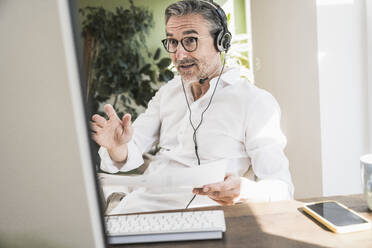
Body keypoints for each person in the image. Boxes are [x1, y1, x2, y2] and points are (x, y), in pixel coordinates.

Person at [90, 0, 294, 215]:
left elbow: (281, 187)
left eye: (190, 41)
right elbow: (130, 149)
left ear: (221, 42)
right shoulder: (168, 92)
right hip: (143, 207)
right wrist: (116, 146)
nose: (179, 54)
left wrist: (247, 191)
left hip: (211, 216)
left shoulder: (255, 102)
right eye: (172, 42)